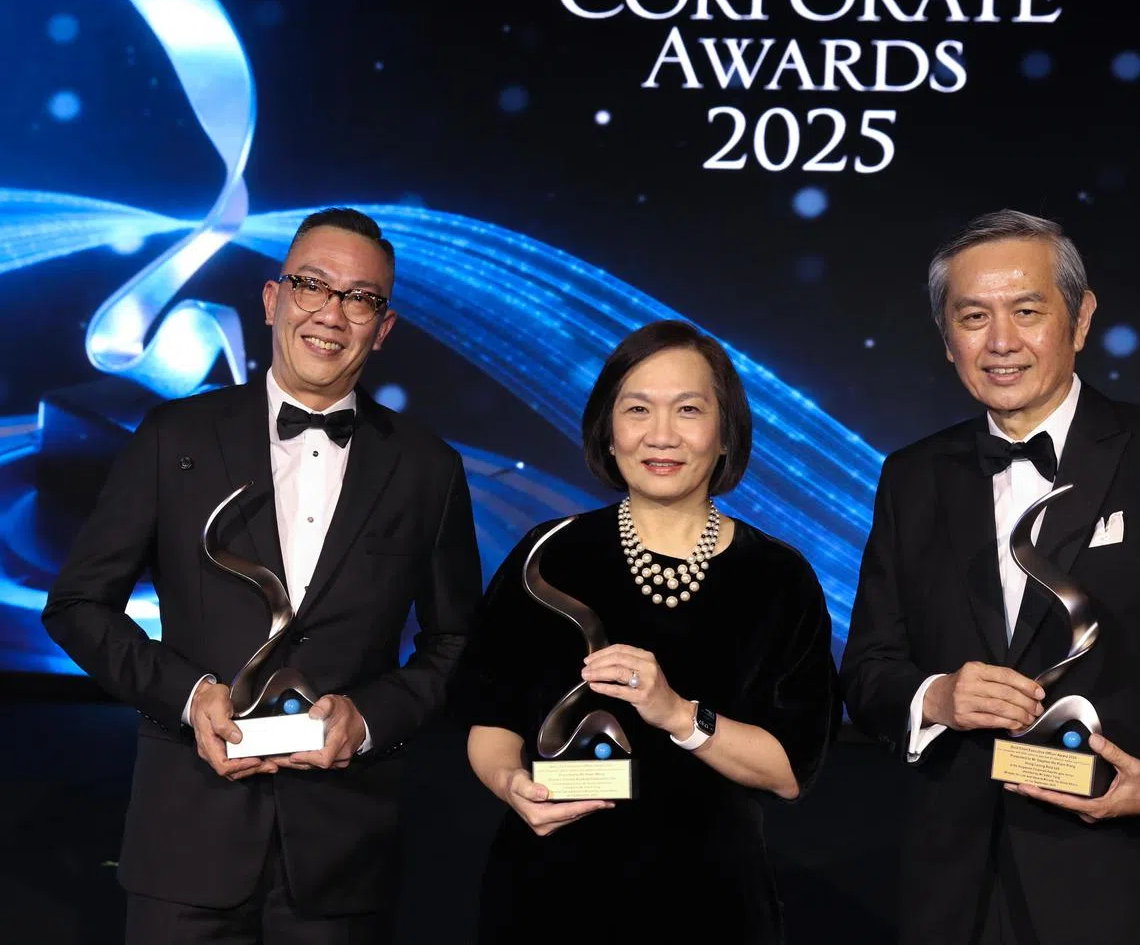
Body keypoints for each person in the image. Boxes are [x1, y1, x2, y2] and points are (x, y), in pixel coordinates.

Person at [42, 207, 483, 944]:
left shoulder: (427, 468)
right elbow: (79, 605)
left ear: (385, 326)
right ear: (273, 299)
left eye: (361, 298)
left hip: (344, 859)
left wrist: (369, 719)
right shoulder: (172, 437)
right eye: (312, 285)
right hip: (185, 845)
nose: (332, 314)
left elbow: (455, 642)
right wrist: (188, 695)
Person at [447, 319, 840, 943]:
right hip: (549, 897)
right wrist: (511, 784)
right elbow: (489, 724)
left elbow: (788, 770)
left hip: (713, 905)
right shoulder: (546, 557)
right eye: (637, 409)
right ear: (608, 432)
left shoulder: (777, 577)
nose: (661, 435)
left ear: (724, 434)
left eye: (688, 410)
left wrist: (678, 713)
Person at [840, 209, 1140, 945]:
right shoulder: (912, 476)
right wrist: (936, 696)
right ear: (947, 339)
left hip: (1120, 876)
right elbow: (869, 669)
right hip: (954, 889)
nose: (1001, 342)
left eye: (1027, 311)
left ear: (1081, 318)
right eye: (973, 316)